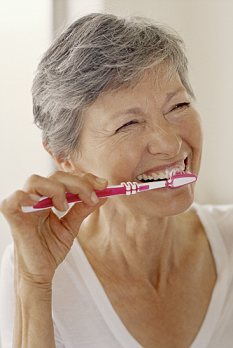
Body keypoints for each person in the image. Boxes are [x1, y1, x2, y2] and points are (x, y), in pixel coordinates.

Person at [0, 12, 233, 348]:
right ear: (65, 157)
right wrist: (35, 284)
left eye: (179, 105)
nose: (170, 144)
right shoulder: (35, 271)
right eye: (128, 124)